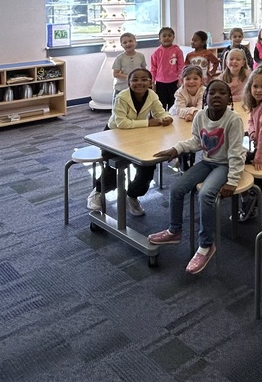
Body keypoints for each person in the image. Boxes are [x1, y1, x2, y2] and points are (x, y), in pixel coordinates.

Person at [148, 79, 246, 274]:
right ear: (205, 97)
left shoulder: (233, 120)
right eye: (212, 93)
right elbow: (195, 141)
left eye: (222, 93)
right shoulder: (200, 115)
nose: (217, 96)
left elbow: (236, 152)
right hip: (208, 161)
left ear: (229, 99)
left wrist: (233, 180)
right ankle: (174, 231)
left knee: (205, 194)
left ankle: (206, 245)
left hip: (225, 164)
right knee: (177, 188)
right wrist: (175, 149)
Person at [87, 68, 173, 216]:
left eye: (144, 79)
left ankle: (132, 195)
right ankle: (98, 191)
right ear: (128, 83)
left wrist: (166, 116)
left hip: (138, 135)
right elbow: (121, 123)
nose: (139, 83)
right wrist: (148, 123)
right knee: (115, 165)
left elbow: (159, 112)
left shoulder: (152, 95)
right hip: (113, 135)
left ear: (151, 82)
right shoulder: (122, 97)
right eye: (135, 80)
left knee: (148, 166)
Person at [149, 26, 183, 109]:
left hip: (174, 82)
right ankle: (162, 120)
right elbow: (153, 68)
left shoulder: (177, 50)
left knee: (173, 104)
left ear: (173, 37)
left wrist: (180, 79)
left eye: (169, 35)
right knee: (161, 104)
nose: (167, 38)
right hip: (160, 83)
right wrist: (152, 82)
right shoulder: (156, 53)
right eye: (164, 36)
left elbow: (181, 66)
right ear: (160, 39)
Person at [111, 31, 146, 96]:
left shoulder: (141, 56)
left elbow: (144, 70)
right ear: (121, 45)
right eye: (125, 42)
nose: (128, 44)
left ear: (135, 43)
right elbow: (115, 74)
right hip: (122, 88)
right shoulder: (119, 58)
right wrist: (129, 78)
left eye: (130, 41)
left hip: (136, 88)